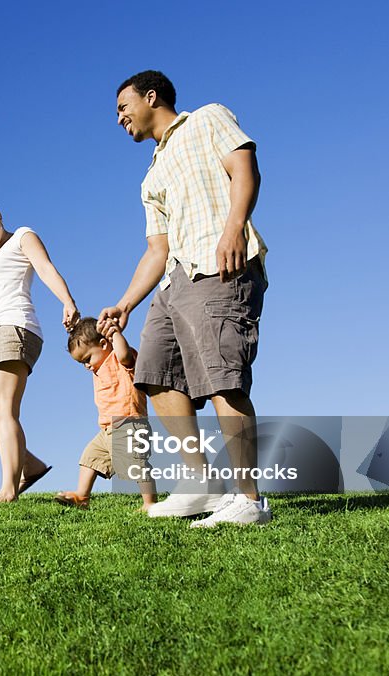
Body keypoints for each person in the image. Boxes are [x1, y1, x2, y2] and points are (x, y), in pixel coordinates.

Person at [99, 70, 271, 526]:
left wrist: (234, 227)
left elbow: (244, 168)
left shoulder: (208, 118)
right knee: (155, 373)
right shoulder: (150, 175)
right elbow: (156, 249)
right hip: (172, 283)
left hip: (220, 265)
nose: (119, 119)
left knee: (222, 377)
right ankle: (201, 486)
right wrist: (125, 303)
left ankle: (249, 500)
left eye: (123, 107)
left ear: (150, 97)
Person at [0, 189, 80, 503]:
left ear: (0, 215)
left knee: (3, 410)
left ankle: (8, 490)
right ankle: (31, 465)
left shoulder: (22, 236)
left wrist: (67, 301)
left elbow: (46, 268)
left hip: (17, 327)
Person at [55, 317, 158, 511]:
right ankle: (82, 496)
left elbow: (125, 354)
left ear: (104, 344)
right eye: (81, 363)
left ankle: (149, 502)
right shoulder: (99, 369)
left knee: (135, 463)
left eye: (87, 359)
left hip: (129, 424)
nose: (86, 366)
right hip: (107, 428)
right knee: (90, 458)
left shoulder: (118, 360)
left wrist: (114, 333)